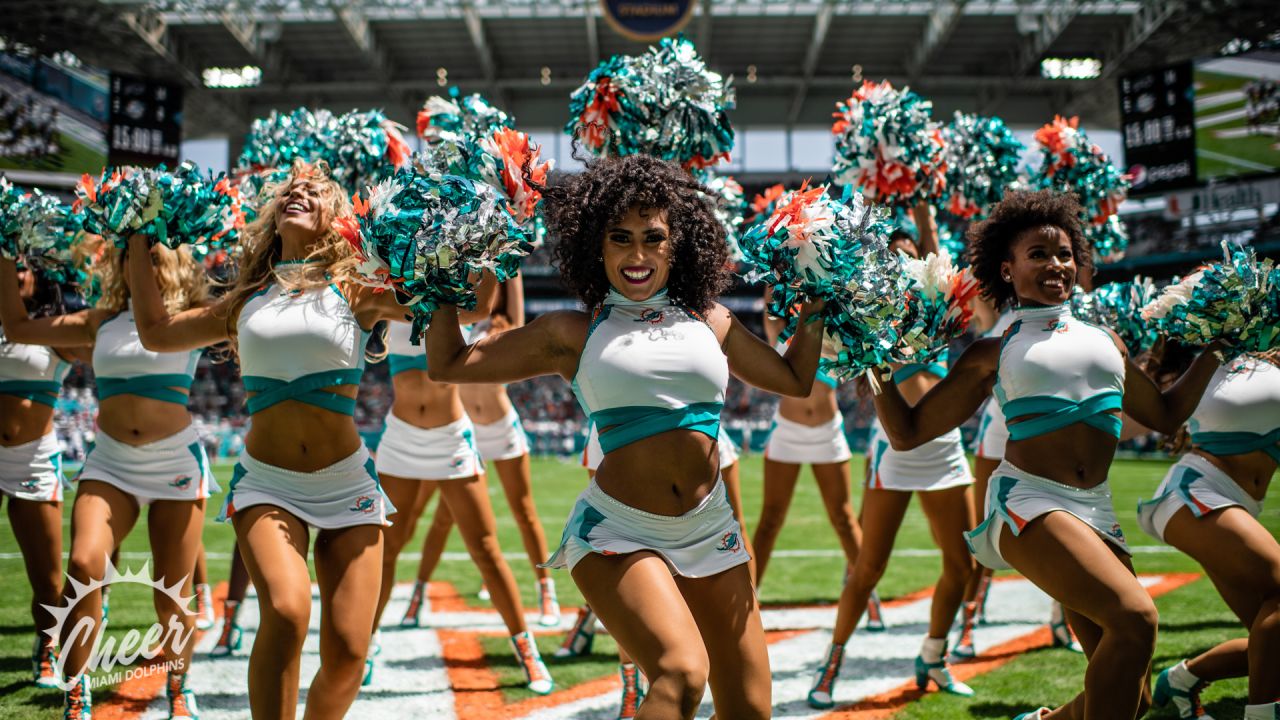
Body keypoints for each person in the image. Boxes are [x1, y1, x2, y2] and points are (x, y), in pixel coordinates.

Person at [426, 154, 826, 719]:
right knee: (681, 672)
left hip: (711, 527)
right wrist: (437, 279)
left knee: (751, 710)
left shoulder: (709, 319)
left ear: (676, 244)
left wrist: (818, 304)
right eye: (621, 238)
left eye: (652, 238)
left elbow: (794, 379)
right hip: (619, 531)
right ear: (598, 246)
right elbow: (450, 363)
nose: (637, 256)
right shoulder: (574, 331)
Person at [869, 190, 1223, 720]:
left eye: (1064, 254)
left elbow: (1167, 416)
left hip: (1096, 510)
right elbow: (909, 431)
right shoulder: (996, 348)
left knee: (1132, 688)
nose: (1056, 264)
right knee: (1137, 620)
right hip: (1028, 505)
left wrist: (1218, 347)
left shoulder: (1108, 342)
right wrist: (868, 359)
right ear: (1007, 270)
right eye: (1038, 254)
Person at [124, 161, 415, 719]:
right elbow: (156, 334)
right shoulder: (245, 300)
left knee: (350, 652)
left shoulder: (356, 287)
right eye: (290, 191)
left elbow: (472, 307)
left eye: (313, 191)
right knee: (284, 612)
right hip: (267, 484)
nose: (297, 195)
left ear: (335, 217)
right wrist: (138, 235)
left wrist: (470, 244)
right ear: (275, 216)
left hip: (347, 483)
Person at [1, 240, 214, 720]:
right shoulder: (101, 321)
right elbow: (15, 326)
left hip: (174, 464)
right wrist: (3, 249)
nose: (141, 257)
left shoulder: (194, 317)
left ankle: (179, 687)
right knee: (83, 564)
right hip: (110, 461)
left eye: (154, 250)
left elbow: (240, 307)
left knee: (173, 593)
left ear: (178, 261)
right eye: (131, 250)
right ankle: (76, 695)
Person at [808, 220, 979, 708]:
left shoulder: (936, 301)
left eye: (911, 251)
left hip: (945, 447)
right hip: (896, 450)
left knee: (962, 565)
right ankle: (832, 663)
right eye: (894, 253)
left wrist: (926, 208)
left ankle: (933, 654)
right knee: (868, 569)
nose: (904, 258)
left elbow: (937, 247)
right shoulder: (871, 313)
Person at [364, 305, 553, 693]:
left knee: (484, 548)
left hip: (451, 436)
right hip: (400, 436)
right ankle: (364, 644)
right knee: (386, 548)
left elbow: (484, 302)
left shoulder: (450, 299)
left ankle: (526, 648)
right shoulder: (386, 292)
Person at [401, 275, 563, 629]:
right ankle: (418, 593)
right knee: (443, 519)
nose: (480, 283)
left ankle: (545, 590)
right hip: (467, 431)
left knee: (524, 511)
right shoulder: (458, 318)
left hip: (502, 427)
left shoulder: (508, 326)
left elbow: (512, 277)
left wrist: (509, 248)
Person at [1137, 343, 1280, 720]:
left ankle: (1184, 679)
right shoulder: (1218, 363)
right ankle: (1263, 716)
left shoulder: (1260, 360)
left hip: (1227, 504)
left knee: (1275, 641)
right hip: (1196, 493)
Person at [951, 303, 1082, 660]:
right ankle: (967, 625)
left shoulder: (1067, 314)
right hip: (997, 434)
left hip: (1046, 433)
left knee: (1066, 531)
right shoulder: (998, 309)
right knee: (985, 532)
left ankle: (1061, 618)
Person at [0, 265, 81, 689]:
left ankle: (47, 645)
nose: (14, 273)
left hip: (32, 459)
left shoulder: (55, 327)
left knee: (48, 578)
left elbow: (100, 336)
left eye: (22, 267)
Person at [753, 288, 862, 598]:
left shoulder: (832, 331)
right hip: (787, 431)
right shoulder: (779, 326)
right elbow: (771, 295)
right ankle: (752, 595)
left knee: (843, 518)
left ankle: (869, 597)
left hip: (828, 432)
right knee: (771, 519)